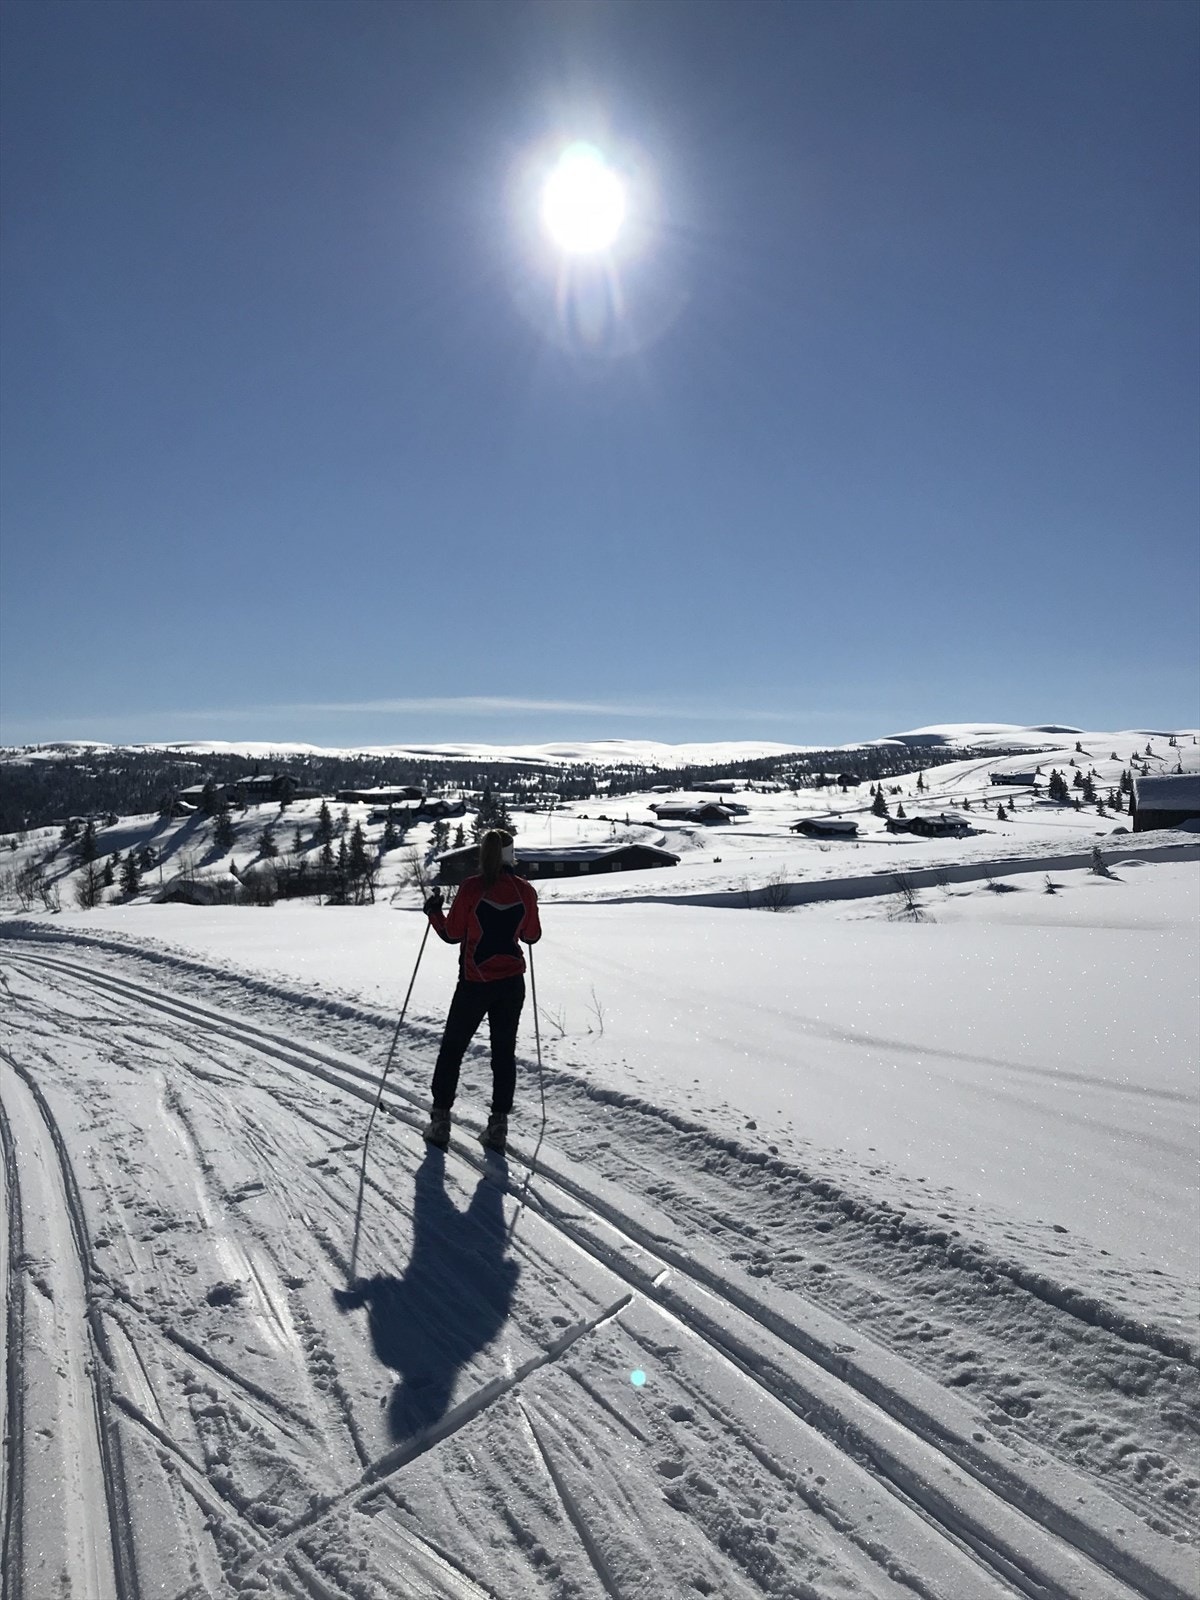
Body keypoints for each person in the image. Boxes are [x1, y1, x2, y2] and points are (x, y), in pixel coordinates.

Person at [421, 828, 541, 1154]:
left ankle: (441, 1121)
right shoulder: (525, 891)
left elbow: (452, 934)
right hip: (511, 984)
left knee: (453, 1050)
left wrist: (434, 912)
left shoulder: (472, 888)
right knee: (503, 1055)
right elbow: (532, 936)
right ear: (511, 855)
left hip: (475, 983)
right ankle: (498, 1127)